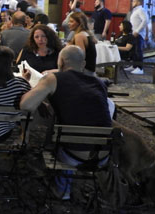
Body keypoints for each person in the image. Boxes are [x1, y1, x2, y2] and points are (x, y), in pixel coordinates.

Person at [20, 45, 112, 200]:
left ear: (60, 63)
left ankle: (62, 190)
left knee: (61, 138)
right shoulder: (99, 83)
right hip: (104, 155)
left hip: (73, 154)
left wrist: (24, 82)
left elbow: (26, 106)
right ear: (82, 64)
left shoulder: (54, 79)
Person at [127, 0, 148, 75]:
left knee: (138, 51)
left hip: (138, 34)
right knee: (133, 51)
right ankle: (134, 66)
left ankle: (140, 68)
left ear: (139, 2)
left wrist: (137, 31)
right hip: (133, 33)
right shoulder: (135, 10)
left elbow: (145, 20)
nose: (132, 3)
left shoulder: (141, 10)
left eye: (134, 1)